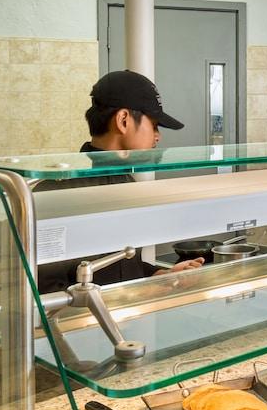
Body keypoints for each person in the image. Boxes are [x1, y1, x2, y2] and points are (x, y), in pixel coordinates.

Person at [37, 70, 204, 293]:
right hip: (80, 326)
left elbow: (124, 265)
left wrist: (160, 275)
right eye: (154, 125)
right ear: (124, 120)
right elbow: (47, 291)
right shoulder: (56, 194)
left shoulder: (126, 182)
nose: (158, 136)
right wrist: (138, 293)